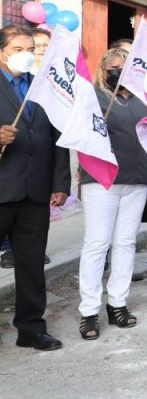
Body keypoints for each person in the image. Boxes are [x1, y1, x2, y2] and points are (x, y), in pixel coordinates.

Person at [78, 47, 147, 340]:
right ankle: (89, 311)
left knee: (125, 243)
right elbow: (81, 133)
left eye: (124, 67)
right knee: (97, 245)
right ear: (104, 70)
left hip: (137, 181)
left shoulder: (144, 99)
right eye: (113, 67)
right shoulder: (93, 98)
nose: (118, 72)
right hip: (101, 182)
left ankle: (117, 303)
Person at [0, 25, 70, 351]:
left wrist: (60, 183)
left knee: (31, 266)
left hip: (35, 192)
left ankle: (31, 328)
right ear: (2, 51)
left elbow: (59, 137)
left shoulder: (43, 86)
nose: (27, 53)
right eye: (18, 48)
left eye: (30, 47)